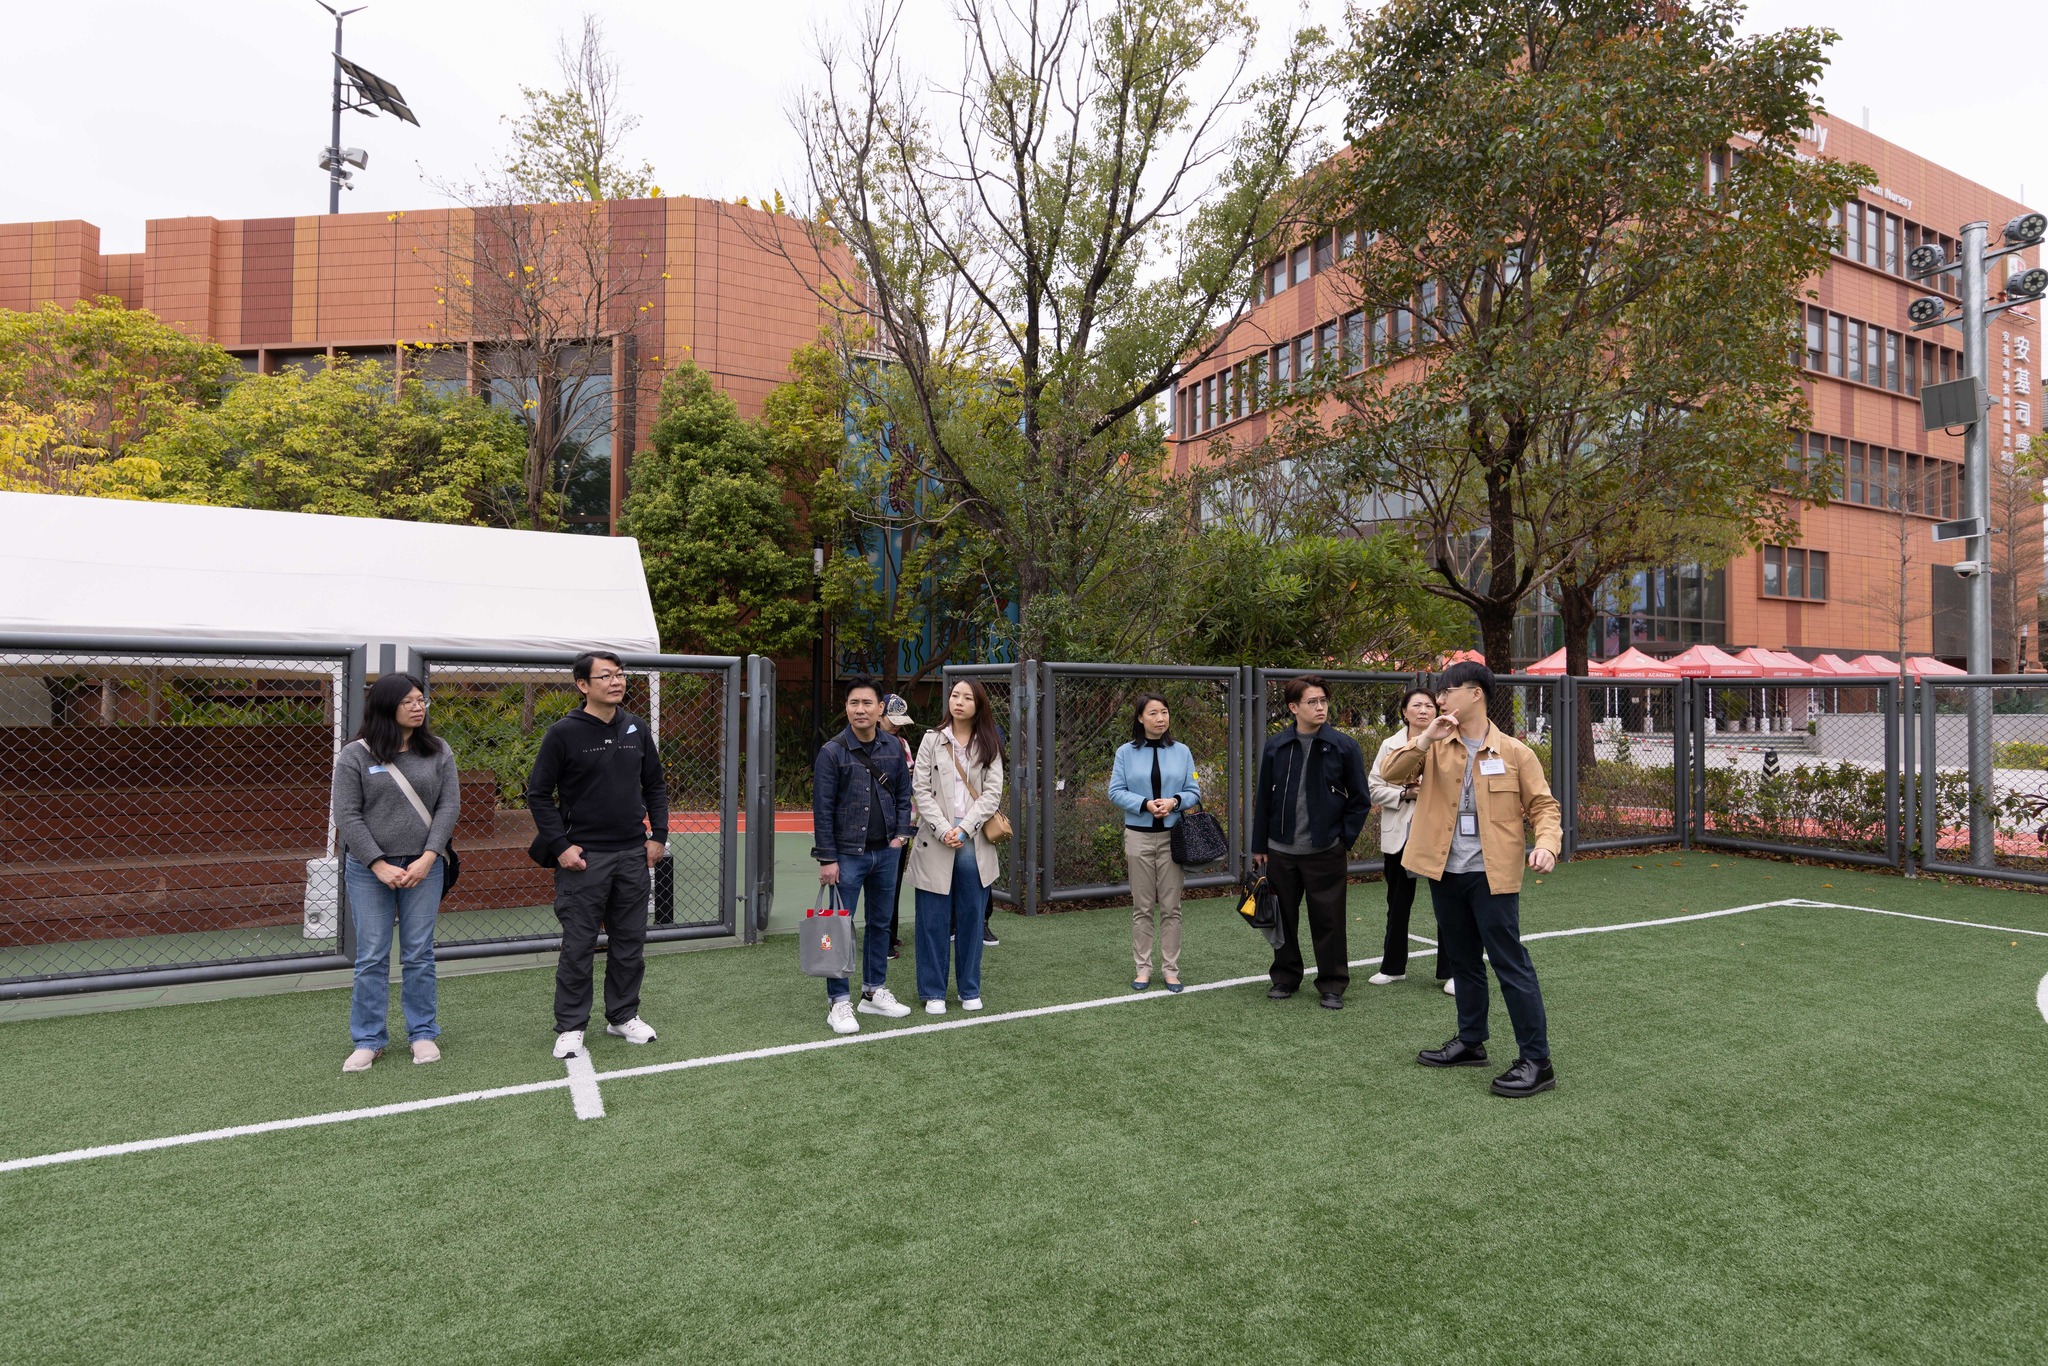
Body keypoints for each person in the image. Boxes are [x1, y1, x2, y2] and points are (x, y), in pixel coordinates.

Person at [1379, 661, 1563, 1098]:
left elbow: (1544, 807)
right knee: (1462, 961)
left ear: (1475, 694)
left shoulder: (1515, 753)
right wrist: (1426, 737)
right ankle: (1471, 1041)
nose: (1439, 700)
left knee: (1509, 964)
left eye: (1448, 692)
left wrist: (1547, 845)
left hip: (1492, 875)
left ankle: (1537, 1062)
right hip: (1443, 870)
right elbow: (1389, 774)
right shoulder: (1433, 745)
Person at [526, 650, 670, 1060]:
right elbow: (538, 794)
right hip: (584, 859)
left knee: (630, 942)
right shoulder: (563, 733)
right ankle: (571, 1026)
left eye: (619, 674)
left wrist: (658, 835)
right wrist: (561, 846)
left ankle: (623, 1015)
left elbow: (655, 785)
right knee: (578, 945)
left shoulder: (636, 727)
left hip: (632, 854)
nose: (616, 681)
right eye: (605, 676)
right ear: (583, 685)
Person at [332, 672, 460, 1073]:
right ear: (387, 706)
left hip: (425, 866)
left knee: (419, 953)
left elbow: (448, 806)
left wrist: (429, 856)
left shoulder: (438, 751)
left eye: (421, 700)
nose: (418, 707)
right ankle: (368, 1039)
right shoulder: (355, 755)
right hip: (369, 869)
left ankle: (422, 1033)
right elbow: (346, 814)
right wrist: (377, 863)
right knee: (371, 955)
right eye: (409, 701)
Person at [1249, 675, 1373, 1010]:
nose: (1320, 707)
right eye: (1312, 702)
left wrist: (1341, 840)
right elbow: (1264, 799)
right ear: (1293, 708)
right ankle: (1285, 977)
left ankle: (1332, 984)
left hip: (1325, 851)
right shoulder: (1276, 746)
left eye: (1323, 701)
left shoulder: (1344, 746)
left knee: (1328, 920)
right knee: (1283, 918)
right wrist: (1260, 846)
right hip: (1280, 850)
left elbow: (1360, 800)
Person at [811, 680, 915, 1036]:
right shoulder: (832, 752)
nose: (860, 709)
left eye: (867, 703)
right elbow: (822, 809)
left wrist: (900, 836)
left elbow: (903, 795)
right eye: (854, 702)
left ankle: (873, 991)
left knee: (881, 924)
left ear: (880, 709)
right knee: (837, 929)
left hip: (886, 853)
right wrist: (827, 858)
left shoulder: (893, 747)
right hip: (845, 856)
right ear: (846, 707)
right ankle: (838, 1002)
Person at [909, 677, 1005, 1014]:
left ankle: (969, 989)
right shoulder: (931, 739)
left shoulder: (989, 743)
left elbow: (992, 793)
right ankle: (933, 991)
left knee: (971, 918)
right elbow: (920, 788)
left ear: (979, 705)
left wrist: (964, 829)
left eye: (967, 697)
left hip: (973, 840)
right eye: (954, 695)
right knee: (932, 919)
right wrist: (943, 829)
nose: (959, 702)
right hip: (936, 838)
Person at [1107, 693, 1201, 993]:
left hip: (1174, 838)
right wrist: (1145, 804)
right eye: (1153, 713)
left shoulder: (1182, 751)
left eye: (1164, 712)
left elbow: (1194, 790)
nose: (1160, 718)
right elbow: (1115, 791)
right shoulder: (1125, 752)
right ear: (1140, 718)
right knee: (1143, 907)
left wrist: (1175, 801)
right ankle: (1143, 969)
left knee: (1172, 907)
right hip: (1138, 837)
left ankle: (1171, 970)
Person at [1366, 689, 1455, 996]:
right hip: (1400, 834)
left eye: (1429, 705)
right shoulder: (1390, 744)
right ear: (1404, 712)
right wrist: (1405, 793)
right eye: (1416, 705)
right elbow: (1373, 787)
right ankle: (1392, 968)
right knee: (1398, 902)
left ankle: (1452, 972)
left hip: (1440, 833)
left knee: (1448, 903)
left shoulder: (1448, 742)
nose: (1423, 710)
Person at [879, 693, 918, 962]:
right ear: (879, 714)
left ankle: (889, 935)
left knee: (892, 883)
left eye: (899, 721)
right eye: (891, 719)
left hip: (901, 823)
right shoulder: (868, 742)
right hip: (878, 823)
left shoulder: (902, 744)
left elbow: (909, 784)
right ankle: (882, 939)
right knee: (881, 885)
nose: (895, 725)